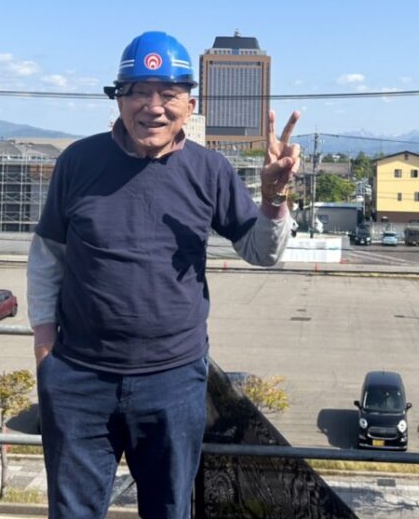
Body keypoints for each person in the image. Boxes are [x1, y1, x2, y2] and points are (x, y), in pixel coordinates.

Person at [27, 30, 300, 519]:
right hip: (79, 378)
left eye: (168, 94)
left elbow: (262, 253)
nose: (152, 107)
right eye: (138, 91)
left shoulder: (210, 170)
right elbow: (48, 256)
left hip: (173, 380)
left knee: (170, 510)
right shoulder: (78, 162)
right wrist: (46, 351)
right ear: (118, 99)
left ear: (189, 106)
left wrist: (274, 198)